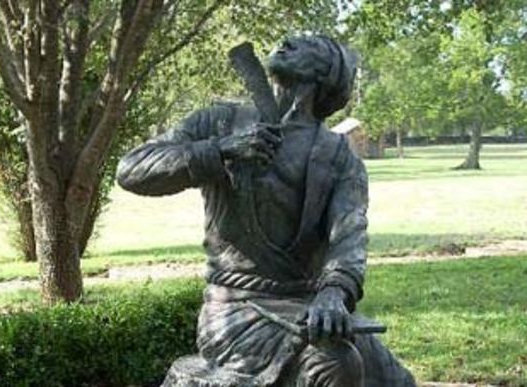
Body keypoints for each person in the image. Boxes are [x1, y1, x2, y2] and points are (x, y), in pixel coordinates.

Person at [117, 35, 415, 387]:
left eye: (309, 43)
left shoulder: (339, 157)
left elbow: (349, 237)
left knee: (394, 379)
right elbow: (131, 170)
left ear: (327, 73)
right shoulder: (220, 123)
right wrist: (220, 151)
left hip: (309, 306)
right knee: (334, 364)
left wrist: (334, 293)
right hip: (237, 310)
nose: (287, 40)